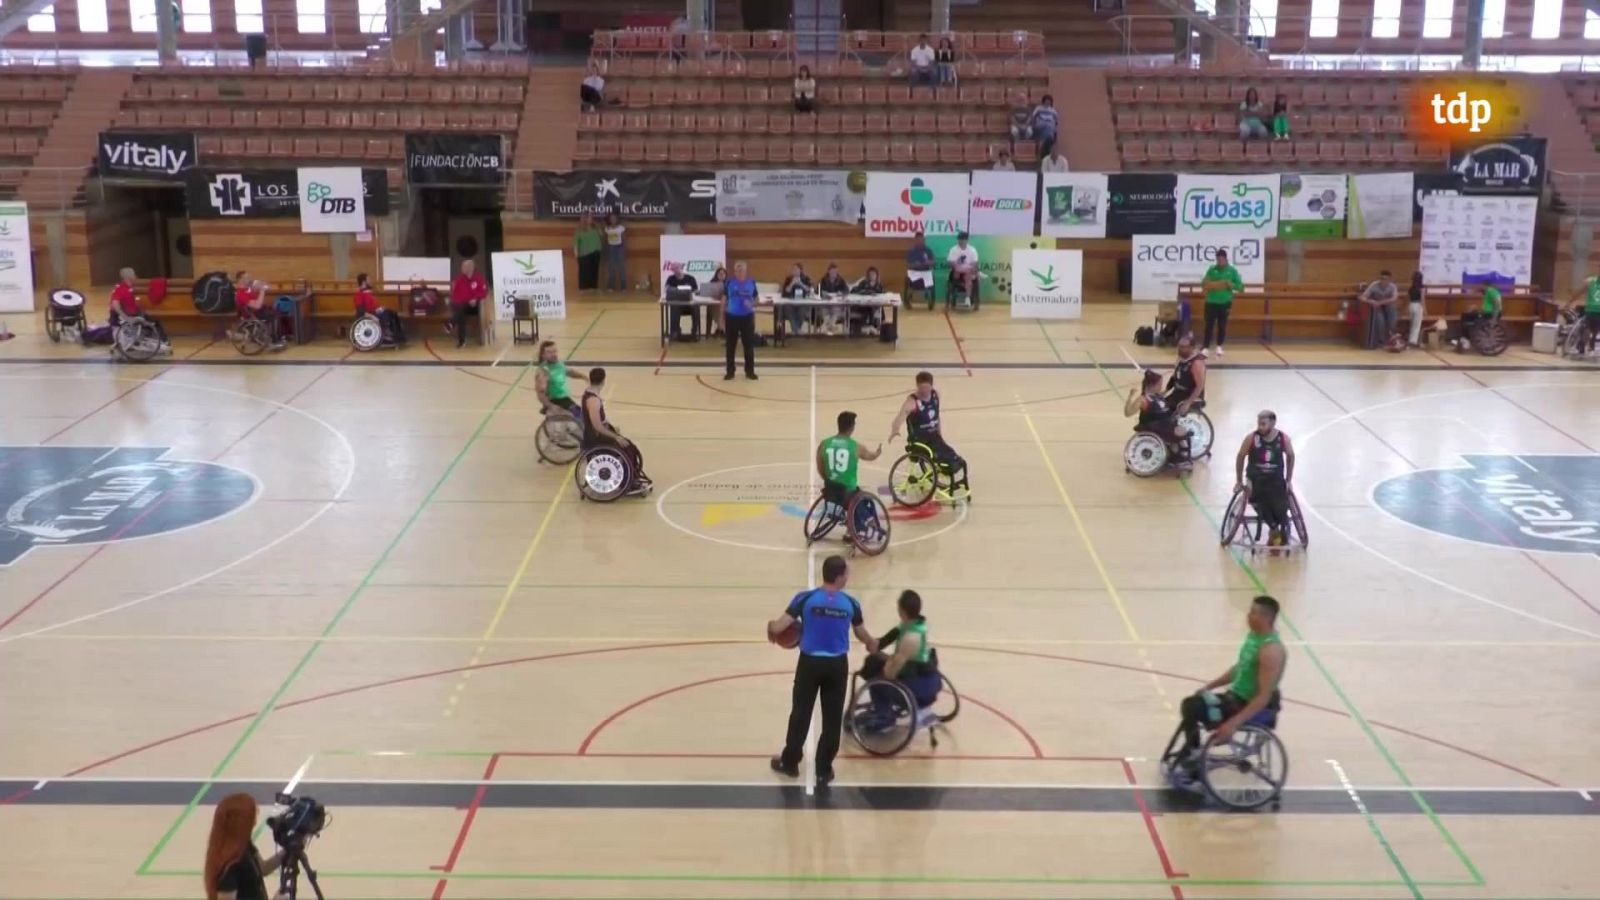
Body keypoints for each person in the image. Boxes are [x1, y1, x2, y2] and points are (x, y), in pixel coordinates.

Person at [768, 554, 878, 788]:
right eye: (846, 573)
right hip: (837, 666)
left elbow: (779, 626)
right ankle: (823, 770)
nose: (848, 577)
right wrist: (871, 643)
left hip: (809, 664)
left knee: (800, 714)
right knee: (831, 720)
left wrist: (771, 628)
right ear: (838, 577)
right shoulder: (851, 604)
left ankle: (790, 763)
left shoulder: (805, 599)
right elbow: (861, 633)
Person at [1169, 596, 1287, 785]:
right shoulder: (1254, 637)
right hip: (1235, 698)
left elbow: (1263, 697)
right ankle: (1193, 752)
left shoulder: (1270, 651)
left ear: (1266, 618)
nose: (1248, 616)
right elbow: (1239, 668)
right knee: (1192, 703)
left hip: (1249, 705)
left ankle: (1194, 758)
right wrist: (1210, 686)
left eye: (1253, 613)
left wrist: (1232, 723)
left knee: (1192, 707)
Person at [889, 371, 969, 501]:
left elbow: (936, 416)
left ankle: (950, 474)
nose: (924, 391)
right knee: (941, 458)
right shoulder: (912, 401)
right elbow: (900, 416)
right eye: (921, 388)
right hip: (919, 440)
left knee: (954, 457)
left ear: (931, 386)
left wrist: (940, 433)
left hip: (934, 437)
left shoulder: (936, 395)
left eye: (927, 388)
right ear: (917, 386)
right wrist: (895, 429)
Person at [581, 367, 650, 497]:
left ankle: (631, 477)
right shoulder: (593, 401)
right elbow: (597, 426)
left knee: (629, 446)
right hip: (595, 439)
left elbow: (601, 422)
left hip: (597, 435)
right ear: (603, 381)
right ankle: (627, 484)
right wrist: (615, 437)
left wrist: (612, 428)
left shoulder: (591, 394)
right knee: (626, 448)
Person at [203, 792, 286, 900]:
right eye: (251, 818)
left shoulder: (244, 844)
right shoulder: (230, 865)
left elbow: (263, 868)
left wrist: (288, 851)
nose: (255, 822)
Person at [1234, 410, 1295, 546]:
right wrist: (1239, 481)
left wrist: (1289, 480)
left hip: (1275, 478)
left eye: (1263, 424)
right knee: (1260, 498)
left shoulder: (1283, 438)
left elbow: (1291, 456)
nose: (1260, 427)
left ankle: (1279, 525)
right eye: (1259, 424)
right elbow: (1240, 456)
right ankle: (1273, 527)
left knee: (1280, 503)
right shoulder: (1251, 438)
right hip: (1255, 478)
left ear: (1273, 423)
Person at [818, 411, 883, 536]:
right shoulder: (856, 447)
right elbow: (870, 456)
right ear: (852, 427)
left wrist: (830, 481)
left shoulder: (824, 444)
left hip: (830, 490)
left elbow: (820, 468)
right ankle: (857, 529)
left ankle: (848, 523)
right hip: (848, 494)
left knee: (850, 494)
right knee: (863, 499)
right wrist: (877, 453)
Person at [1124, 369, 1190, 468]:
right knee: (1180, 432)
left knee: (1184, 431)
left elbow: (1165, 393)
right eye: (1159, 385)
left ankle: (1177, 455)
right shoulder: (1143, 399)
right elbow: (1128, 413)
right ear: (1152, 385)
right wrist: (1130, 396)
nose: (1160, 387)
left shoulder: (1156, 396)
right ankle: (1177, 457)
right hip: (1154, 426)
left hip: (1164, 424)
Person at [109, 267, 171, 354]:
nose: (136, 276)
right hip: (128, 316)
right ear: (129, 277)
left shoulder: (127, 287)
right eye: (134, 274)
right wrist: (126, 317)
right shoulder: (121, 289)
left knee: (152, 319)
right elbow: (115, 304)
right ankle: (163, 342)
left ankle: (159, 341)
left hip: (134, 313)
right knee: (155, 323)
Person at [1201, 248, 1243, 356]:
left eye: (1221, 260)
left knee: (1222, 325)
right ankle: (1206, 347)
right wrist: (1207, 284)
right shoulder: (1212, 269)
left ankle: (1219, 346)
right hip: (1211, 302)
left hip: (1225, 303)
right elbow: (1204, 283)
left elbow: (1240, 287)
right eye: (1217, 260)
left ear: (1225, 259)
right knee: (1209, 325)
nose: (1219, 262)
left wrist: (1231, 285)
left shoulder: (1232, 271)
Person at [722, 260, 759, 381]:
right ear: (734, 271)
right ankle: (730, 371)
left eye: (742, 270)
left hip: (747, 317)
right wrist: (721, 318)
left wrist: (752, 304)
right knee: (730, 346)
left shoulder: (751, 282)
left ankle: (750, 371)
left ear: (745, 270)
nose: (740, 272)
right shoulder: (729, 283)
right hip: (731, 317)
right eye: (737, 270)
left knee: (749, 346)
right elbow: (724, 300)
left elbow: (757, 299)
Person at [233, 271, 285, 351]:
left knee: (278, 311)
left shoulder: (248, 290)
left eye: (249, 277)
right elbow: (257, 306)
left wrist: (263, 287)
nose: (249, 279)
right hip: (252, 315)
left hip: (258, 311)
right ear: (240, 280)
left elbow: (259, 299)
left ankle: (279, 337)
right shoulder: (240, 294)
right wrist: (262, 291)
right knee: (273, 316)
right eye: (247, 278)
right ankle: (274, 340)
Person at [535, 339, 587, 416]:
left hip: (565, 400)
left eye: (554, 351)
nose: (553, 354)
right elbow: (541, 393)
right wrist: (550, 406)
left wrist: (583, 376)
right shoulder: (543, 371)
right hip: (555, 401)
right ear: (543, 355)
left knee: (582, 415)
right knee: (580, 416)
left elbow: (569, 372)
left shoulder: (559, 364)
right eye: (549, 352)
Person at [352, 272, 404, 346]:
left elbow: (373, 305)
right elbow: (360, 310)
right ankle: (385, 336)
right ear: (364, 282)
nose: (370, 281)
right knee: (385, 314)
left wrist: (380, 308)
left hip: (375, 311)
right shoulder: (359, 294)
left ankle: (398, 336)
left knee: (393, 313)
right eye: (368, 280)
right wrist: (371, 316)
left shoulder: (367, 292)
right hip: (368, 315)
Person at [1164, 333, 1206, 415]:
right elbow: (1174, 377)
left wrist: (1188, 403)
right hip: (1177, 394)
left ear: (1191, 348)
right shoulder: (1181, 357)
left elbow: (1200, 386)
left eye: (1183, 347)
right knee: (1157, 407)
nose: (1180, 349)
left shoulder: (1196, 363)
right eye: (1179, 346)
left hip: (1189, 397)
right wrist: (1164, 391)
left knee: (1165, 413)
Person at [449, 258, 487, 349]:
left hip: (476, 307)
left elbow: (484, 292)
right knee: (461, 312)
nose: (461, 268)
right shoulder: (460, 279)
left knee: (460, 311)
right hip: (463, 306)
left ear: (470, 268)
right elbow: (456, 295)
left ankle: (451, 323)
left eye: (464, 266)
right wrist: (460, 302)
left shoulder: (478, 278)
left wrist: (475, 299)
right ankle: (462, 341)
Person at [1360, 270, 1399, 348]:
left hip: (1388, 306)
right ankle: (1382, 341)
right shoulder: (1374, 285)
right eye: (1381, 279)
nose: (1383, 281)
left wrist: (1381, 302)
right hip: (1377, 307)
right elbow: (1362, 297)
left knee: (1392, 317)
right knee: (1380, 320)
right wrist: (1370, 301)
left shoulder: (1392, 286)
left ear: (1389, 280)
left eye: (1385, 279)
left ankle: (1392, 336)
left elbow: (1394, 298)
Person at [1457, 282, 1502, 350]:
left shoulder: (1491, 291)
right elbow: (1480, 292)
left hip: (1490, 315)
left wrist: (1494, 318)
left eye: (1481, 286)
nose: (1480, 288)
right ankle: (1465, 339)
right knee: (1466, 315)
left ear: (1485, 286)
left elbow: (1497, 304)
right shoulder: (1489, 292)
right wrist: (1475, 308)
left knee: (1467, 320)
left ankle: (1466, 340)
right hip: (1486, 313)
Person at [664, 262, 701, 340]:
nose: (676, 270)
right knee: (674, 308)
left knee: (696, 308)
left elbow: (696, 291)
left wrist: (692, 292)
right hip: (678, 305)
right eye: (674, 269)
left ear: (681, 268)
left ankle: (694, 331)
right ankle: (675, 332)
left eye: (677, 268)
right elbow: (667, 289)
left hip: (689, 305)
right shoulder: (670, 279)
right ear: (672, 270)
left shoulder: (690, 278)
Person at [1567, 272, 1600, 355]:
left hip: (1596, 311)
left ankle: (1589, 346)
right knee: (1587, 329)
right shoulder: (1590, 281)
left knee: (1594, 331)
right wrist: (1570, 301)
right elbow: (1579, 292)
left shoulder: (1590, 281)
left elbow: (1578, 293)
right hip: (1590, 310)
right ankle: (1582, 345)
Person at [946, 231, 980, 308]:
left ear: (967, 240)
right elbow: (950, 262)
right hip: (956, 272)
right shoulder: (953, 249)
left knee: (969, 274)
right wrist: (955, 265)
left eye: (963, 239)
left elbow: (975, 263)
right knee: (958, 271)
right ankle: (965, 298)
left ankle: (968, 298)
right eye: (960, 239)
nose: (961, 241)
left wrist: (972, 269)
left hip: (968, 272)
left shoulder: (972, 250)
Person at [780, 262, 814, 337]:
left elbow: (810, 290)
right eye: (793, 269)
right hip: (790, 302)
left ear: (800, 270)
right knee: (788, 309)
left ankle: (795, 330)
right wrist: (792, 283)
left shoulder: (806, 278)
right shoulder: (788, 279)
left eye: (796, 269)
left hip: (802, 302)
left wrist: (801, 284)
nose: (794, 271)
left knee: (802, 310)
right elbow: (785, 292)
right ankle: (797, 329)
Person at [905, 231, 936, 309]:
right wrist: (915, 264)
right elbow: (909, 264)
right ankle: (908, 299)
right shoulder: (911, 251)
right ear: (915, 240)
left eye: (921, 239)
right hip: (914, 272)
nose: (920, 241)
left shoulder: (928, 250)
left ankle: (930, 300)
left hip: (925, 272)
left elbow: (933, 262)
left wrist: (928, 262)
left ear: (924, 240)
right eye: (918, 239)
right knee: (908, 278)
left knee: (931, 276)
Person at [573, 213, 603, 292]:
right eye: (589, 217)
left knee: (594, 270)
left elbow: (601, 234)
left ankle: (594, 287)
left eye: (592, 217)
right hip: (585, 254)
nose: (591, 219)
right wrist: (576, 255)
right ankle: (583, 288)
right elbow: (576, 244)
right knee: (584, 271)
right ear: (585, 219)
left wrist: (596, 225)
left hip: (596, 252)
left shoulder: (595, 228)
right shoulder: (579, 230)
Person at [1028, 95, 1060, 159]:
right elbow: (1033, 118)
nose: (1047, 103)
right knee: (1047, 127)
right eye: (1046, 101)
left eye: (1049, 101)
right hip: (1040, 126)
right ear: (1043, 101)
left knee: (1050, 128)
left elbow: (1056, 121)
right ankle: (1046, 145)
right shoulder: (1038, 108)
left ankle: (1045, 149)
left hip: (1049, 127)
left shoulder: (1053, 110)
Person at [698, 265, 727, 338]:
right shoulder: (711, 283)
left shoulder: (728, 284)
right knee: (714, 309)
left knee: (724, 310)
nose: (721, 275)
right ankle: (720, 329)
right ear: (716, 275)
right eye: (720, 274)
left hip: (725, 304)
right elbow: (706, 293)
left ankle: (720, 329)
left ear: (726, 275)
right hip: (713, 304)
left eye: (723, 274)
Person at [602, 212, 627, 292]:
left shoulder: (621, 228)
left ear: (617, 219)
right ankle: (610, 286)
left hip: (619, 248)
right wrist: (605, 250)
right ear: (609, 220)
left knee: (621, 267)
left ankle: (623, 287)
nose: (613, 220)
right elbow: (605, 240)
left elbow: (624, 239)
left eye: (614, 218)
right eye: (611, 218)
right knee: (611, 268)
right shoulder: (607, 229)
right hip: (611, 248)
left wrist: (624, 249)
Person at [1406, 270, 1426, 347]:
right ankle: (1412, 341)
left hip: (1411, 305)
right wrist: (1425, 309)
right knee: (1417, 325)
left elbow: (1408, 298)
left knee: (1412, 324)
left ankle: (1411, 340)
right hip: (1418, 306)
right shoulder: (1422, 288)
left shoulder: (1411, 288)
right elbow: (1422, 299)